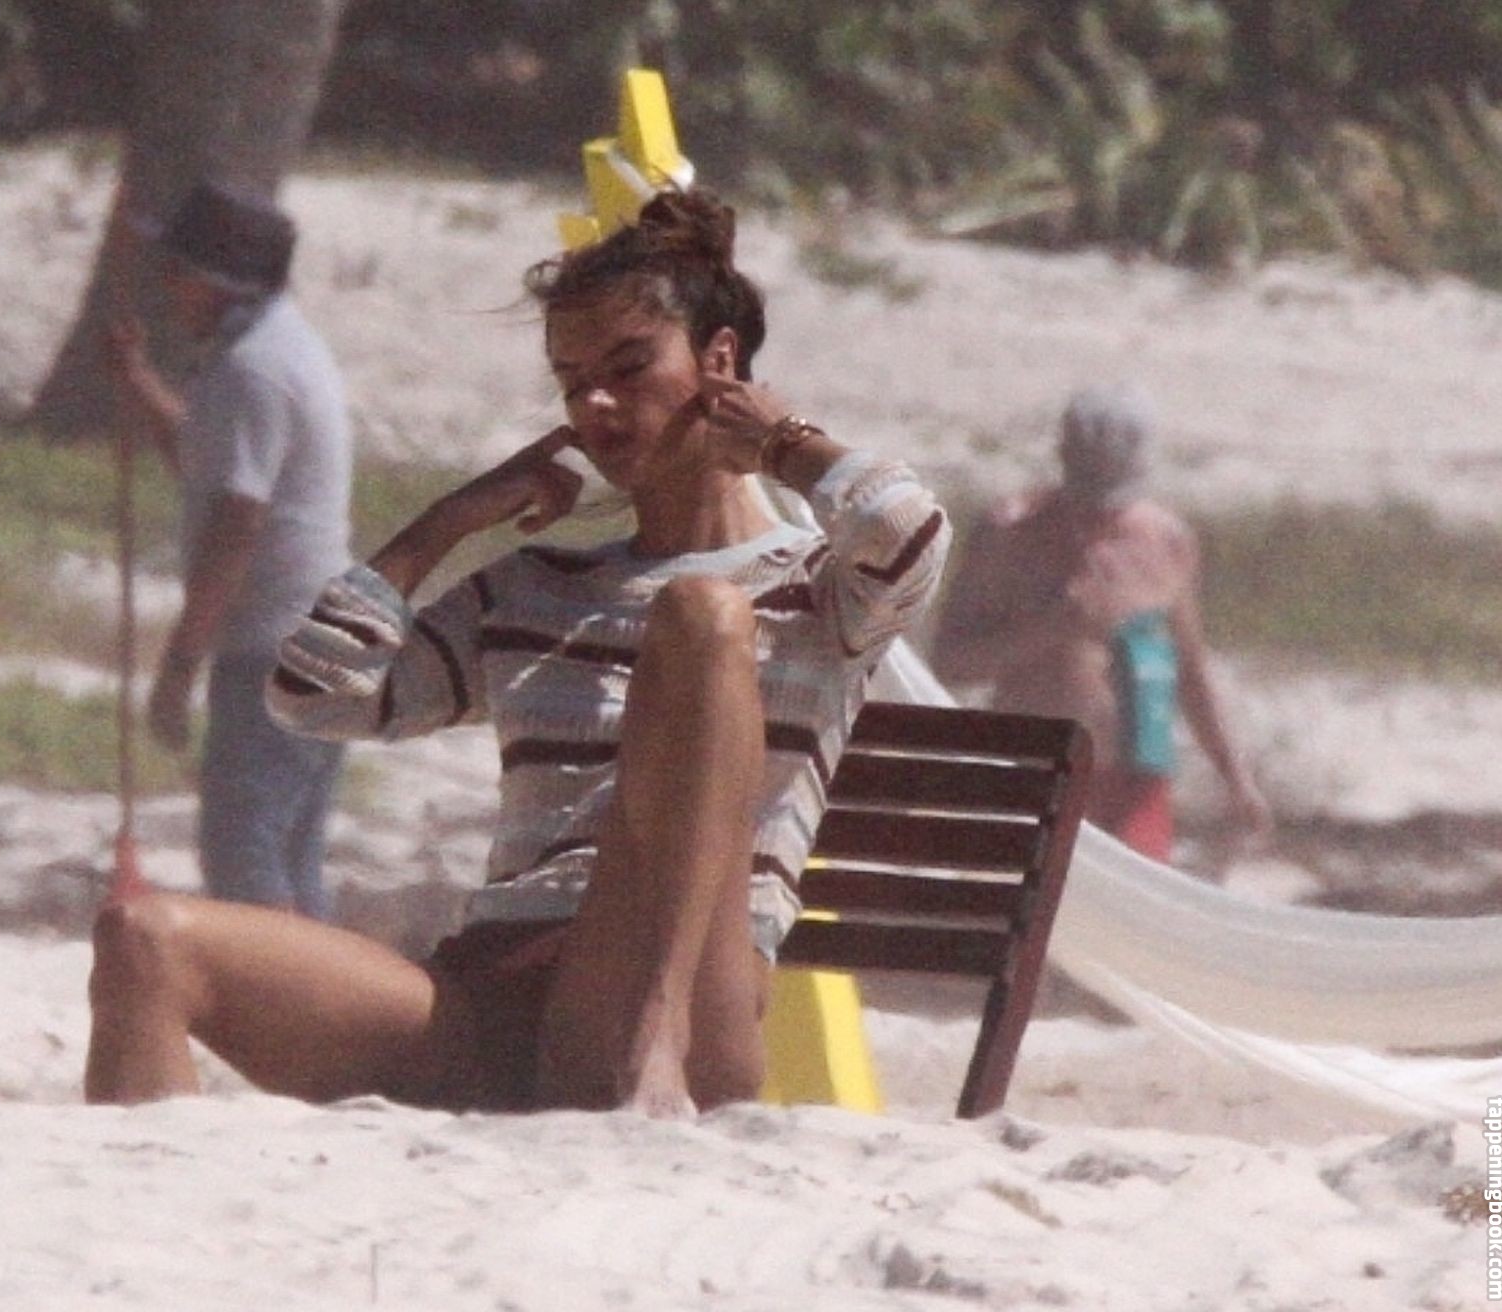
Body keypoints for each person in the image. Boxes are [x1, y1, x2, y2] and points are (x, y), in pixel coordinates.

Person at [84, 189, 951, 1117]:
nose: (599, 403)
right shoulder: (537, 587)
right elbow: (310, 695)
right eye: (574, 382)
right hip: (492, 992)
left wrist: (783, 440)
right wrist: (454, 518)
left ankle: (650, 1043)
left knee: (702, 619)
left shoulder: (818, 589)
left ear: (720, 362)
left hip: (689, 999)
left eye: (629, 367)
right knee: (142, 939)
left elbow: (908, 532)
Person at [105, 181, 352, 919]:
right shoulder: (272, 350)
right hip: (322, 637)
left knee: (244, 846)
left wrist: (180, 663)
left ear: (218, 281)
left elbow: (236, 524)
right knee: (289, 850)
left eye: (178, 270)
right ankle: (318, 989)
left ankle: (282, 990)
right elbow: (206, 463)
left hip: (279, 644)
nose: (167, 285)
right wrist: (138, 382)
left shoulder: (254, 369)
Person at [931, 385, 1270, 863]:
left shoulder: (1166, 541)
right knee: (1030, 904)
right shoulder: (1009, 534)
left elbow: (1190, 673)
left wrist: (1235, 777)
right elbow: (949, 663)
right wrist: (1049, 631)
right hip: (1033, 767)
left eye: (1112, 498)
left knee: (1137, 906)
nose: (1097, 514)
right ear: (1065, 458)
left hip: (1133, 778)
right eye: (1088, 492)